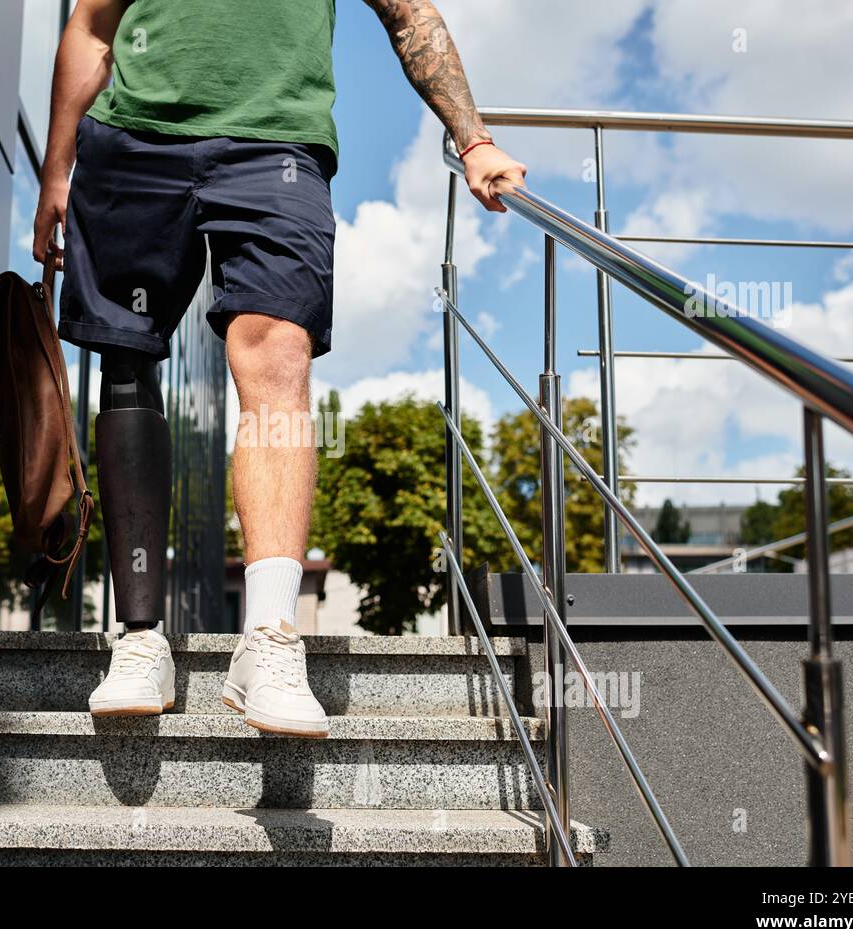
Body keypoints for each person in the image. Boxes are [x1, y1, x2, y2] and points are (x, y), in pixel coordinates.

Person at [33, 0, 527, 738]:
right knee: (126, 360)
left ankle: (268, 639)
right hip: (133, 141)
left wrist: (473, 138)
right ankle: (139, 640)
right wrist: (56, 168)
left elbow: (409, 14)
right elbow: (92, 26)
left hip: (278, 151)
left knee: (278, 351)